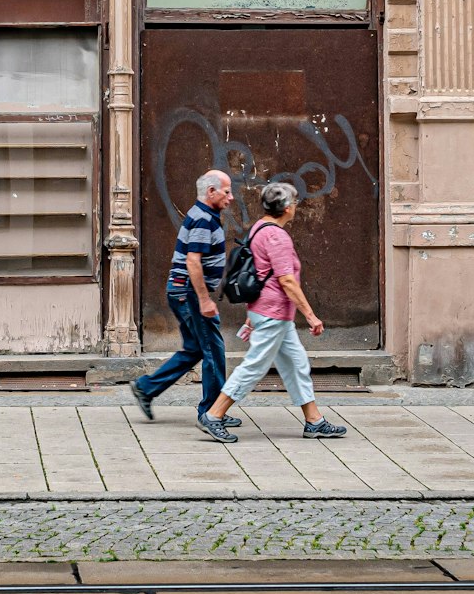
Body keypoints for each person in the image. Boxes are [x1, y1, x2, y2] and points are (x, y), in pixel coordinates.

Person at [198, 181, 347, 443]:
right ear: (288, 208)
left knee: (297, 364)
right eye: (296, 203)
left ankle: (314, 421)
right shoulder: (277, 236)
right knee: (255, 366)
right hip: (273, 313)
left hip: (271, 313)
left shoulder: (260, 227)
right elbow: (286, 280)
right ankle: (214, 414)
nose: (296, 207)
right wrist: (310, 316)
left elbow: (258, 272)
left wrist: (252, 313)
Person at [129, 169, 243, 431]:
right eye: (227, 191)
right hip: (189, 293)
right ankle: (213, 412)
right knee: (214, 350)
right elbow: (193, 262)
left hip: (183, 292)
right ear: (211, 191)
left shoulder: (204, 215)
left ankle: (146, 388)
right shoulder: (204, 219)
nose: (231, 197)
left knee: (194, 349)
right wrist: (204, 300)